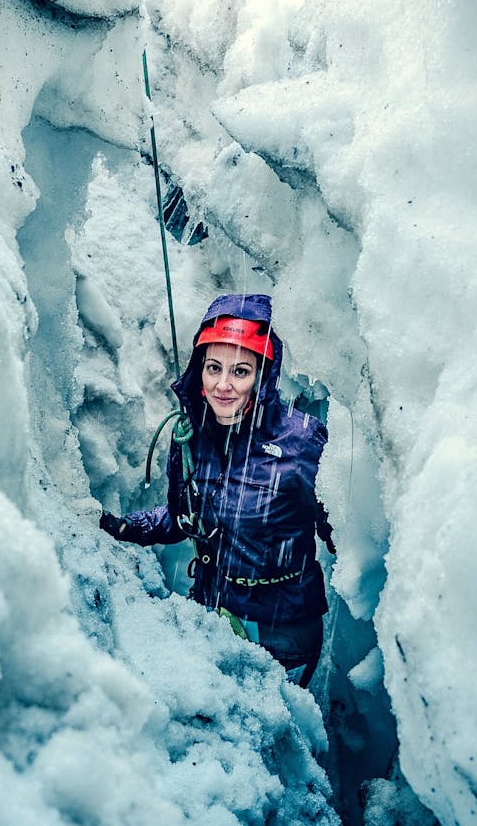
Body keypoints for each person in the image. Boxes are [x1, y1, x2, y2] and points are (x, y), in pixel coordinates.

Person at [96, 293, 335, 687]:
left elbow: (340, 534)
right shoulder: (190, 436)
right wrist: (125, 528)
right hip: (212, 611)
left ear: (264, 374)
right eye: (213, 368)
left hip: (284, 630)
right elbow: (183, 518)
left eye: (240, 371)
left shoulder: (304, 442)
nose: (223, 385)